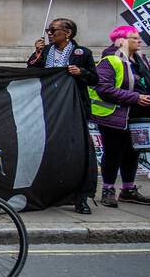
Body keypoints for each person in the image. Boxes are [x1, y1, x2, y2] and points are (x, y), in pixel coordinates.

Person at [27, 17, 98, 213]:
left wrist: (80, 72)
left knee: (78, 152)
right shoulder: (46, 51)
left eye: (53, 30)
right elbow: (32, 72)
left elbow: (95, 79)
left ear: (68, 33)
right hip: (50, 107)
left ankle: (81, 197)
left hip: (75, 108)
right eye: (48, 30)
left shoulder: (82, 53)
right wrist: (37, 53)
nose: (49, 33)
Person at [91, 25, 150, 207]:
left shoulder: (142, 60)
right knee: (113, 153)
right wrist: (136, 98)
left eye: (139, 38)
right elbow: (104, 88)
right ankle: (108, 190)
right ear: (121, 40)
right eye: (134, 38)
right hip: (115, 116)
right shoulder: (110, 61)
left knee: (133, 152)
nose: (139, 41)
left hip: (139, 115)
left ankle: (128, 190)